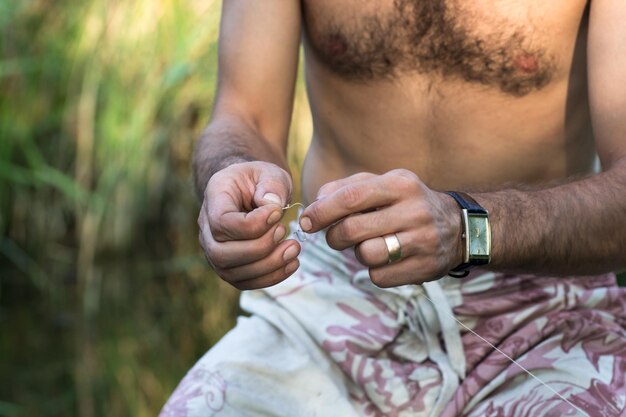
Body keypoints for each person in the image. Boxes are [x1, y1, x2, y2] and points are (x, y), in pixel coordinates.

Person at [160, 0, 626, 416]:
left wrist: (468, 228)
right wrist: (232, 171)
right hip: (328, 303)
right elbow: (244, 114)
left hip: (547, 312)